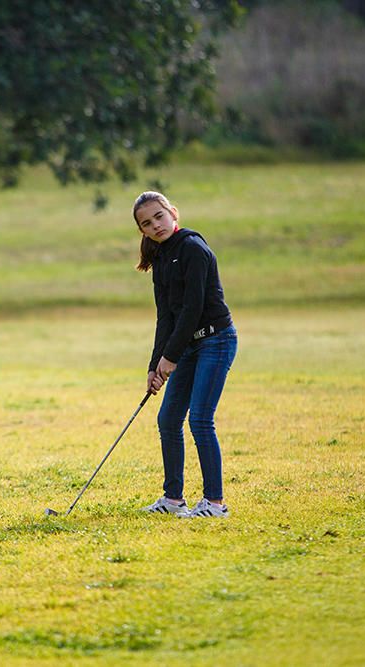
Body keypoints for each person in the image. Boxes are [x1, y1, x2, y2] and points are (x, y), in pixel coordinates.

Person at [133, 191, 237, 518]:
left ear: (172, 212)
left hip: (215, 341)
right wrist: (155, 366)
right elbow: (166, 316)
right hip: (187, 344)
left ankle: (214, 503)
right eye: (147, 223)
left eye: (159, 216)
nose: (155, 225)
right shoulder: (161, 258)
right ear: (143, 231)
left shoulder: (193, 249)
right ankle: (173, 499)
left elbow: (192, 310)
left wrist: (170, 358)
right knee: (167, 419)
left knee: (201, 420)